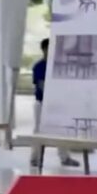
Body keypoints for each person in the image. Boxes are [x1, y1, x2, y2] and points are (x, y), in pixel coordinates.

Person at [31, 39, 77, 168]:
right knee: (39, 130)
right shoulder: (39, 66)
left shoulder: (59, 65)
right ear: (44, 50)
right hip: (42, 104)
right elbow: (41, 86)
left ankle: (65, 157)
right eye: (48, 48)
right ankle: (35, 158)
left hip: (60, 103)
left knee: (62, 130)